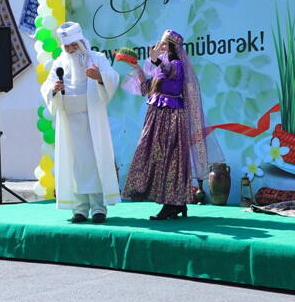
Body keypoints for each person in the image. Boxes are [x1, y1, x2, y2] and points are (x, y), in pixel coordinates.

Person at [123, 29, 217, 220]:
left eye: (165, 44)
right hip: (157, 115)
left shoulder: (177, 64)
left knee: (171, 158)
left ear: (173, 47)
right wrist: (138, 68)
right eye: (161, 43)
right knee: (153, 155)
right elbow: (146, 89)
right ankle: (175, 202)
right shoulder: (160, 67)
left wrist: (156, 60)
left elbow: (170, 72)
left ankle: (173, 203)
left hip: (172, 116)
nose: (162, 46)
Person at [40, 22, 121, 223]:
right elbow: (46, 86)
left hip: (92, 118)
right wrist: (54, 89)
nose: (70, 49)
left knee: (95, 162)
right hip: (70, 120)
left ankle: (98, 209)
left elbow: (113, 77)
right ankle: (80, 209)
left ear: (80, 41)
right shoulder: (59, 62)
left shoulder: (97, 58)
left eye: (73, 44)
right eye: (66, 46)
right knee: (73, 164)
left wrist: (99, 76)